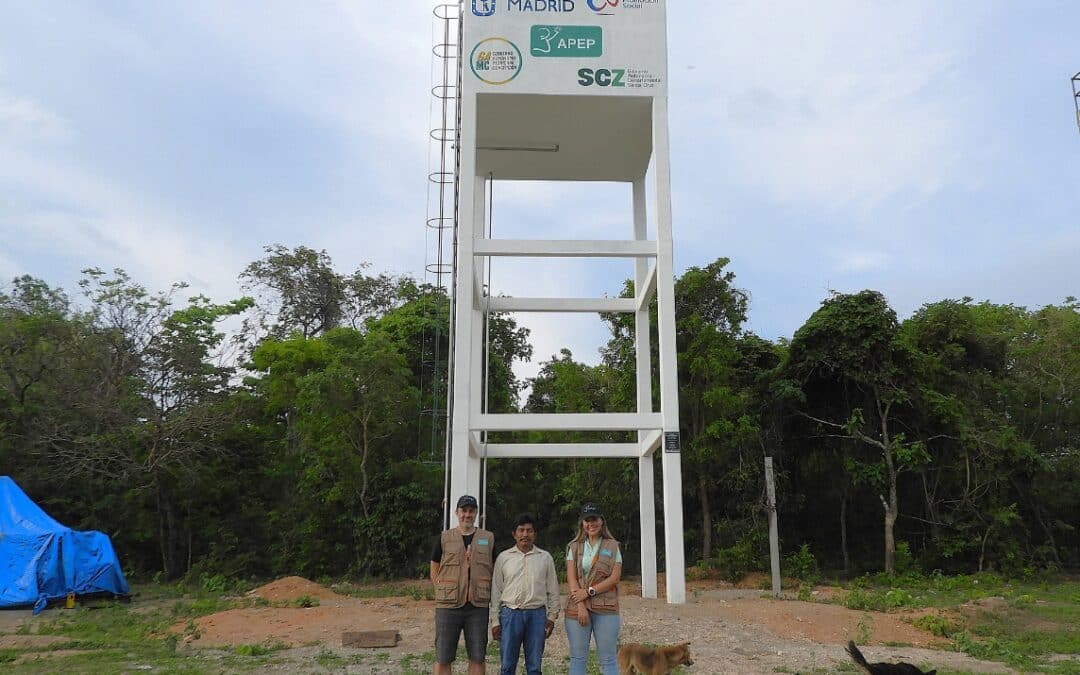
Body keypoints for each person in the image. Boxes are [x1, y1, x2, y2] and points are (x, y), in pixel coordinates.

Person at [430, 495, 495, 675]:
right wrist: (442, 589)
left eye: (471, 511)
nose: (467, 514)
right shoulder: (444, 538)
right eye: (463, 510)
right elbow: (434, 567)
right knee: (443, 657)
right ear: (456, 512)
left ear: (476, 513)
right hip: (448, 606)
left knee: (477, 656)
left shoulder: (488, 538)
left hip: (478, 606)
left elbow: (494, 567)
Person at [490, 513, 560, 675]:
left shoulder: (545, 558)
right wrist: (495, 620)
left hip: (537, 617)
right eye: (521, 530)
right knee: (507, 666)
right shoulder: (503, 558)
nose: (525, 535)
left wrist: (552, 617)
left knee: (534, 667)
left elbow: (553, 590)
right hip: (510, 615)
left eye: (529, 531)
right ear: (514, 534)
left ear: (535, 534)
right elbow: (496, 590)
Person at [564, 502, 622, 675]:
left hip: (606, 608)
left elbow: (614, 578)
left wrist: (589, 591)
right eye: (587, 520)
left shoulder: (612, 546)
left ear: (601, 521)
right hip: (577, 609)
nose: (591, 524)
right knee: (578, 659)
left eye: (594, 519)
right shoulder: (573, 547)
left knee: (608, 659)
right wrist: (581, 605)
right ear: (582, 524)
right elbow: (572, 579)